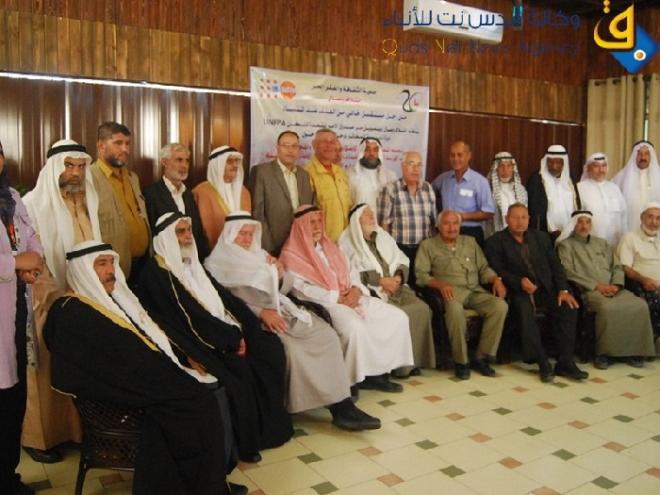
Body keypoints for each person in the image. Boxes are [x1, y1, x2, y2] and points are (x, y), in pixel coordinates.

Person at [44, 241, 247, 495]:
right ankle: (205, 487)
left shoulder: (112, 300)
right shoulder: (72, 312)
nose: (110, 271)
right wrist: (166, 376)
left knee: (216, 389)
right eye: (101, 264)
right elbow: (107, 365)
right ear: (82, 270)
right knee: (199, 405)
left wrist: (181, 358)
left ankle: (213, 482)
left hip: (144, 378)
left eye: (112, 263)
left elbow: (148, 336)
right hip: (114, 397)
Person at [206, 212, 381, 430]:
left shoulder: (259, 255)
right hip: (252, 319)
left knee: (326, 336)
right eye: (242, 234)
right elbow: (226, 302)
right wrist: (260, 312)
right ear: (229, 235)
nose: (247, 239)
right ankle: (313, 406)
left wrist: (280, 274)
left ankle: (342, 405)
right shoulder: (215, 264)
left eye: (251, 234)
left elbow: (285, 289)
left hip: (283, 310)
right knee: (293, 350)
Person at [138, 213, 293, 457]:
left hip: (221, 331)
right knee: (239, 371)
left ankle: (270, 428)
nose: (188, 236)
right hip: (196, 341)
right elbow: (190, 316)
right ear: (166, 238)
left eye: (189, 230)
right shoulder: (158, 273)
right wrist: (230, 339)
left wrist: (247, 328)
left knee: (269, 348)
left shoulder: (193, 263)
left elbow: (225, 298)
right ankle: (248, 442)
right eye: (180, 232)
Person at [22, 140, 99, 462]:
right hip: (44, 300)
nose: (75, 173)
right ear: (55, 168)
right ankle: (39, 439)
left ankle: (74, 432)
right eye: (69, 166)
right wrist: (56, 298)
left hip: (82, 300)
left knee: (77, 368)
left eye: (81, 166)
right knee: (44, 371)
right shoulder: (31, 205)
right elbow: (29, 258)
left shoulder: (87, 201)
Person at [280, 205, 414, 392]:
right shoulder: (290, 255)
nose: (317, 226)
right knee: (355, 328)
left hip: (352, 295)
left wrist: (357, 290)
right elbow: (299, 289)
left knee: (397, 317)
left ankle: (378, 374)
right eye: (311, 222)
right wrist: (336, 297)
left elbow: (352, 271)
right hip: (326, 303)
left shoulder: (330, 246)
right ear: (300, 226)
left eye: (319, 221)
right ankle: (351, 383)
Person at [485, 204, 589, 383]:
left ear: (529, 219)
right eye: (515, 217)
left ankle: (565, 362)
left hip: (546, 288)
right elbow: (497, 269)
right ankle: (542, 361)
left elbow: (556, 266)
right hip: (518, 291)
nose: (520, 222)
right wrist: (518, 281)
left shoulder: (541, 237)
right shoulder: (496, 241)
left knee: (568, 306)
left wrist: (563, 289)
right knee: (524, 311)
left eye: (524, 217)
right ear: (507, 219)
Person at [338, 203, 436, 376]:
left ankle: (413, 362)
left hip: (397, 286)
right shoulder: (346, 242)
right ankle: (399, 367)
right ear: (356, 220)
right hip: (374, 291)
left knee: (422, 308)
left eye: (372, 213)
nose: (372, 217)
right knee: (401, 314)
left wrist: (398, 278)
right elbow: (351, 272)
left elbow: (401, 259)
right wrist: (382, 281)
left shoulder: (383, 236)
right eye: (367, 214)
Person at [556, 211, 654, 369]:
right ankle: (604, 354)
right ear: (573, 224)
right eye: (580, 222)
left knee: (639, 305)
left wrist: (616, 285)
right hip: (590, 290)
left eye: (587, 222)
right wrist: (597, 286)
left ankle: (634, 352)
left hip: (614, 289)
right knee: (607, 308)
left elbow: (617, 266)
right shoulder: (566, 246)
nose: (584, 226)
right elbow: (567, 272)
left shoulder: (602, 243)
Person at [416, 210, 507, 379]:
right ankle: (461, 361)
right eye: (446, 223)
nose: (452, 228)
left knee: (500, 306)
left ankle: (482, 357)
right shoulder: (428, 246)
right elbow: (421, 275)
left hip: (474, 290)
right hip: (451, 293)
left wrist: (496, 279)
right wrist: (440, 284)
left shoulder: (470, 242)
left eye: (455, 223)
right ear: (438, 226)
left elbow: (483, 268)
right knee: (455, 310)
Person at [0, 140, 43, 495]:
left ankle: (7, 476)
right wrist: (16, 263)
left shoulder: (12, 197)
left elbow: (32, 240)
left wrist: (33, 262)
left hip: (15, 310)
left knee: (14, 398)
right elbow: (16, 256)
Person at [89, 122, 150, 283]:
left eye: (128, 144)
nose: (125, 149)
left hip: (143, 264)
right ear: (101, 146)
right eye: (118, 143)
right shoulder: (90, 178)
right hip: (113, 267)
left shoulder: (132, 178)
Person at [249, 131, 315, 255]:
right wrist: (268, 248)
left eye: (294, 146)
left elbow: (309, 210)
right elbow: (257, 213)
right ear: (277, 148)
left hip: (301, 245)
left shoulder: (304, 175)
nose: (290, 150)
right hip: (272, 247)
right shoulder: (261, 172)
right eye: (286, 145)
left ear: (299, 150)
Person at [377, 151, 436, 288]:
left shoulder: (428, 188)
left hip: (424, 250)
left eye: (419, 165)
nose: (415, 169)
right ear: (402, 166)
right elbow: (383, 224)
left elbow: (433, 222)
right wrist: (389, 252)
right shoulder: (391, 189)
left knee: (423, 286)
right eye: (411, 164)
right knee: (403, 287)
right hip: (400, 249)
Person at [143, 143, 209, 260]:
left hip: (191, 260)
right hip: (166, 261)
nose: (184, 165)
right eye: (179, 160)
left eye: (187, 161)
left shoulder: (189, 194)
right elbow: (152, 234)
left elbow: (196, 231)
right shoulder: (151, 194)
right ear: (164, 162)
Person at [432, 141, 494, 245]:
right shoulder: (443, 179)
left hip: (470, 232)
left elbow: (489, 212)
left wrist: (462, 216)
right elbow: (428, 192)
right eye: (452, 155)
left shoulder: (480, 181)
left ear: (469, 156)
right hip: (445, 232)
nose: (455, 159)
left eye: (460, 155)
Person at [193, 145, 251, 250]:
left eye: (236, 161)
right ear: (217, 165)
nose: (235, 165)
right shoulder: (201, 191)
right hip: (211, 251)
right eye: (229, 161)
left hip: (242, 250)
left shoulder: (244, 192)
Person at [617, 202, 660, 343]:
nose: (654, 222)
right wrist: (644, 280)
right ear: (642, 217)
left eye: (658, 218)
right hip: (642, 283)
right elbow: (626, 268)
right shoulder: (630, 237)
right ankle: (650, 342)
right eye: (650, 217)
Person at [305, 129, 352, 242]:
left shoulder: (340, 172)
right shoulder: (307, 173)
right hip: (323, 242)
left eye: (332, 142)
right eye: (324, 141)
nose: (329, 145)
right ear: (314, 145)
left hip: (346, 241)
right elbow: (306, 215)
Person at [527, 144, 580, 238]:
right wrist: (551, 229)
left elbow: (576, 205)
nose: (554, 166)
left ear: (564, 163)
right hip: (544, 234)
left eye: (558, 162)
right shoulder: (537, 179)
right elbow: (533, 209)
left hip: (569, 233)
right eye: (550, 162)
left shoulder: (570, 180)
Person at [577, 153, 627, 246]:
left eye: (604, 166)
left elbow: (623, 215)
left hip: (615, 243)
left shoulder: (614, 188)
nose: (601, 170)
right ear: (588, 168)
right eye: (596, 166)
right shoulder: (580, 188)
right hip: (591, 243)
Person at [613, 140, 660, 232]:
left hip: (655, 228)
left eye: (646, 154)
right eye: (639, 154)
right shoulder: (621, 178)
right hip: (630, 227)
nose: (643, 157)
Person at [484, 152, 527, 238]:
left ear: (513, 168)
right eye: (501, 166)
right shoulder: (487, 189)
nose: (505, 170)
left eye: (509, 166)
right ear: (496, 168)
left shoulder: (521, 190)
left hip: (517, 234)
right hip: (495, 235)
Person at [347, 137, 396, 212]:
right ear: (361, 152)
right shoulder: (350, 175)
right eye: (367, 150)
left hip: (382, 219)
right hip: (358, 218)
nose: (371, 153)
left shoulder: (390, 176)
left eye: (375, 150)